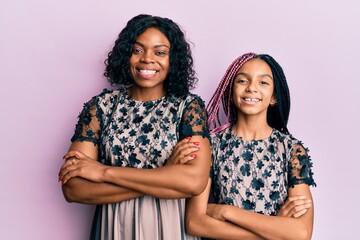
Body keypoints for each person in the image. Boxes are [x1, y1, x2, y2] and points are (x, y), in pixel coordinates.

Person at [58, 14, 211, 240]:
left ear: (173, 60)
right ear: (125, 54)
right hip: (113, 228)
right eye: (138, 50)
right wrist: (165, 175)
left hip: (171, 229)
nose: (147, 59)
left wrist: (103, 172)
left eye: (160, 52)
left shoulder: (188, 108)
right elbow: (73, 189)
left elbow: (193, 182)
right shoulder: (100, 108)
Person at [175, 52, 316, 239]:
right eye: (242, 81)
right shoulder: (212, 146)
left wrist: (226, 212)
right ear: (231, 93)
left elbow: (301, 233)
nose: (252, 88)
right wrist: (274, 231)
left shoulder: (291, 151)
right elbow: (195, 222)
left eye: (263, 82)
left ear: (274, 97)